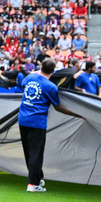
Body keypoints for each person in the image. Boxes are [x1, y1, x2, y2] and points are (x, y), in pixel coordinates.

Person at [18, 58, 80, 193]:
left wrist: (37, 72)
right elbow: (58, 107)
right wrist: (76, 114)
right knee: (36, 153)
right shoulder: (51, 87)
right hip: (37, 123)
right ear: (53, 70)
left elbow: (23, 84)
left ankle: (36, 178)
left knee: (29, 152)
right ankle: (33, 184)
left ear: (41, 67)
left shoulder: (29, 78)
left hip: (23, 120)